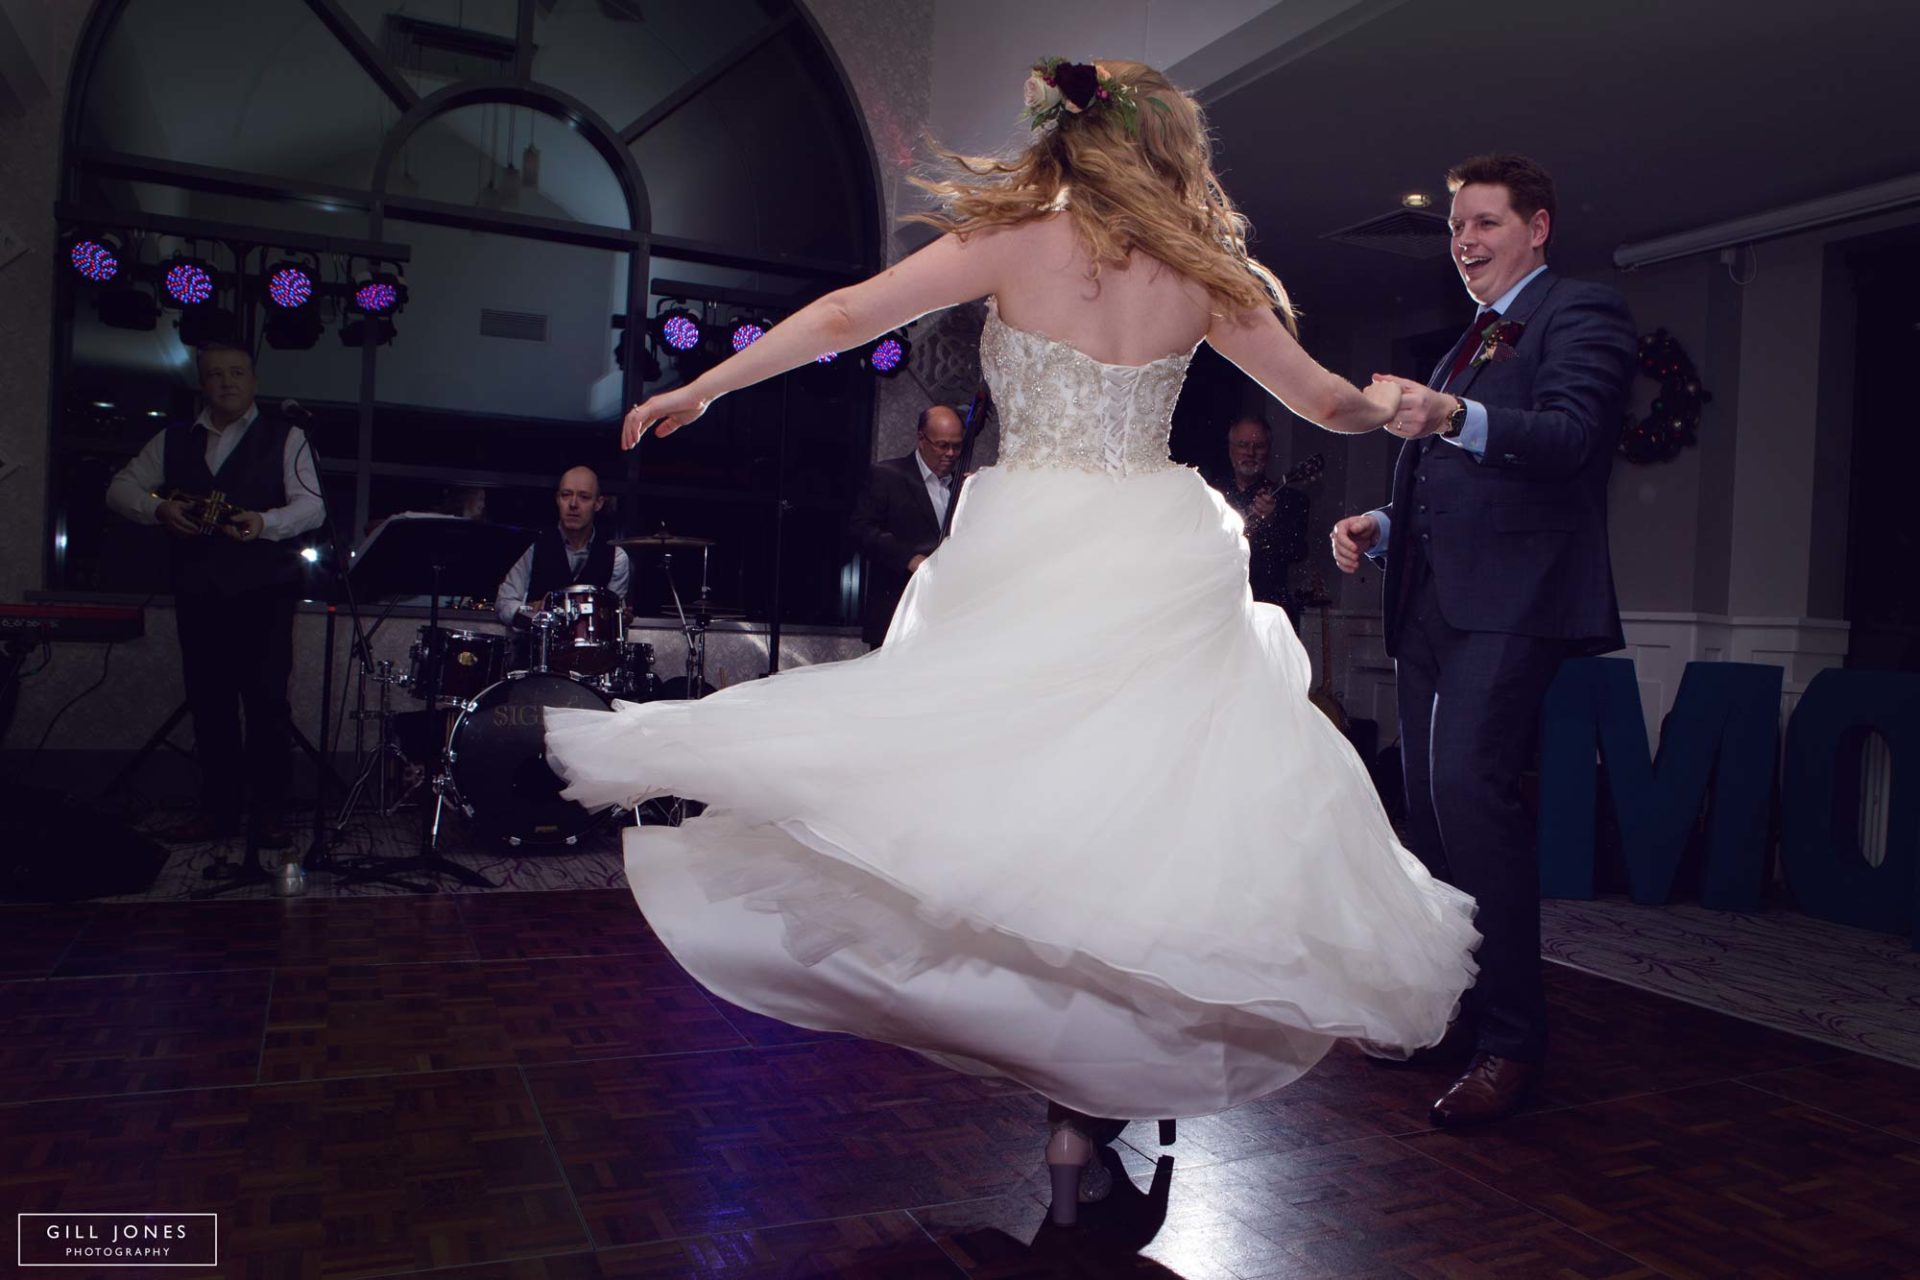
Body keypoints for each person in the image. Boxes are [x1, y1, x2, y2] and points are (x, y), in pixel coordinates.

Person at [546, 59, 1478, 1226]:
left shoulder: (1012, 241)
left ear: (1066, 140)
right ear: (1165, 148)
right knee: (1125, 847)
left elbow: (846, 318)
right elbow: (1329, 401)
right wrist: (1402, 406)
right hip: (1152, 552)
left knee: (1012, 821)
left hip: (1028, 545)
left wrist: (712, 385)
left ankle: (1068, 1138)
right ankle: (1075, 1139)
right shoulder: (1207, 276)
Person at [1331, 154, 1635, 1126]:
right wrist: (1381, 525)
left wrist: (1452, 412)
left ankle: (1512, 1042)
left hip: (1513, 603)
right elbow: (1454, 476)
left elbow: (1571, 437)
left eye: (1486, 223)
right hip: (1427, 605)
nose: (1465, 240)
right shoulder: (1471, 337)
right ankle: (1449, 1018)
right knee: (1430, 817)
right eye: (1458, 225)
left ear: (1537, 226)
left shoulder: (1580, 311)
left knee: (1474, 798)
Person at [106, 341, 324, 847]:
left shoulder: (286, 436)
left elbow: (312, 506)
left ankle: (269, 813)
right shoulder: (173, 438)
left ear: (253, 380)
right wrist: (159, 509)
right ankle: (218, 812)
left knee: (268, 704)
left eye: (237, 373)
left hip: (266, 591)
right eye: (215, 374)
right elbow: (120, 488)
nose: (227, 382)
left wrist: (265, 522)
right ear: (202, 383)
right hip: (199, 590)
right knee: (210, 703)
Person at [847, 404, 966, 647]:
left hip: (947, 615)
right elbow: (861, 529)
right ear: (921, 439)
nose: (951, 454)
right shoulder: (886, 475)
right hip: (896, 608)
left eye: (957, 446)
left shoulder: (965, 486)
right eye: (943, 445)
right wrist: (910, 558)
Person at [494, 466, 631, 626]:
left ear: (598, 504)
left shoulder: (616, 557)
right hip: (539, 648)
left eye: (584, 497)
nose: (573, 504)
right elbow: (504, 602)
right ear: (558, 499)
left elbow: (612, 617)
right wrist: (528, 611)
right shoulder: (535, 546)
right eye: (566, 495)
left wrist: (620, 618)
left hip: (590, 650)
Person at [1208, 415, 1308, 624]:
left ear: (1268, 450)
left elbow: (1298, 552)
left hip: (1267, 607)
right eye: (1243, 445)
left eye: (1259, 446)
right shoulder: (1209, 494)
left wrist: (1272, 521)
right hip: (1216, 604)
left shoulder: (1290, 499)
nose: (1250, 453)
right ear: (1230, 448)